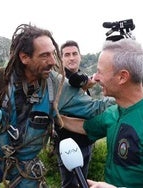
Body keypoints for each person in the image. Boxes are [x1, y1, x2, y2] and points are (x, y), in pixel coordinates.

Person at [0, 24, 115, 188]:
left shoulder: (57, 86)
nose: (53, 61)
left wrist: (132, 97)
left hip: (27, 169)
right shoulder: (0, 83)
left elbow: (94, 108)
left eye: (53, 53)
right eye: (45, 55)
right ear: (25, 57)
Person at [61, 38, 143, 188]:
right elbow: (85, 127)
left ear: (122, 77)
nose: (96, 78)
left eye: (100, 72)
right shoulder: (113, 113)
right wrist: (55, 116)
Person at [57, 40, 97, 188]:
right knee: (70, 185)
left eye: (74, 54)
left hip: (86, 142)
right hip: (68, 146)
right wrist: (89, 81)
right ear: (61, 59)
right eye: (67, 55)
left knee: (82, 181)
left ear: (80, 56)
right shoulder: (62, 80)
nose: (71, 58)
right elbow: (75, 80)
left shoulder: (82, 80)